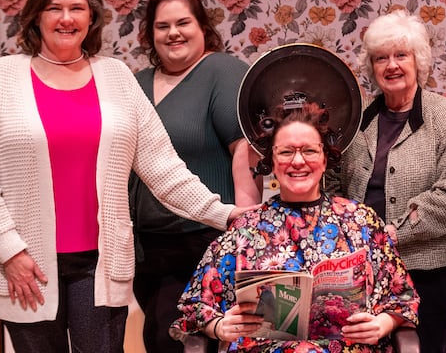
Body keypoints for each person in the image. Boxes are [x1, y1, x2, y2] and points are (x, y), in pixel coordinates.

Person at [0, 0, 251, 353]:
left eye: (76, 7)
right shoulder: (0, 78)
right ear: (36, 16)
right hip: (28, 266)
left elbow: (163, 167)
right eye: (53, 8)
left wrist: (223, 213)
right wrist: (9, 250)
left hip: (100, 266)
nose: (66, 18)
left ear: (91, 16)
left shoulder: (116, 78)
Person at [170, 102, 420, 353]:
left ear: (324, 159)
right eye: (286, 152)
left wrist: (383, 324)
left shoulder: (362, 222)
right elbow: (194, 308)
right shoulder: (245, 229)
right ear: (272, 162)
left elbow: (402, 299)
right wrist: (220, 327)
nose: (298, 161)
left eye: (309, 151)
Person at [327, 9, 446, 353]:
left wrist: (391, 233)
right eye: (381, 58)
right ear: (372, 67)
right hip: (360, 266)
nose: (391, 65)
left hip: (429, 268)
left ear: (417, 60)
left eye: (400, 55)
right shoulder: (355, 119)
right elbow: (332, 180)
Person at [130, 0, 262, 353]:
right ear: (150, 34)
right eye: (162, 26)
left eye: (183, 23)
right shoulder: (135, 84)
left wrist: (248, 230)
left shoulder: (220, 71)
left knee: (178, 339)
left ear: (202, 27)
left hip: (201, 242)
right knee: (157, 338)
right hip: (145, 247)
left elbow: (246, 153)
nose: (173, 33)